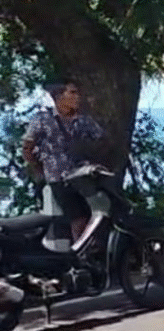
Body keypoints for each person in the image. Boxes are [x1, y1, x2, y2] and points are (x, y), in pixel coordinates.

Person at [22, 79, 105, 242]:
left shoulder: (83, 121)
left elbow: (101, 140)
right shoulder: (42, 119)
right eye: (72, 93)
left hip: (82, 176)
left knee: (96, 214)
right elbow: (27, 147)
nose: (77, 97)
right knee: (78, 218)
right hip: (58, 177)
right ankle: (80, 256)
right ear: (59, 96)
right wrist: (39, 170)